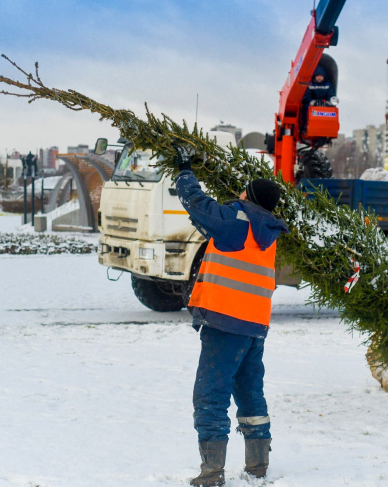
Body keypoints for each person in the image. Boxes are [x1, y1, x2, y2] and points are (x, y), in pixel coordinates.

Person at [173, 148, 288, 487]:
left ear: (248, 197)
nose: (237, 194)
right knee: (250, 391)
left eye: (242, 191)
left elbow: (197, 202)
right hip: (255, 325)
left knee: (210, 395)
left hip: (226, 322)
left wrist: (184, 169)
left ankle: (211, 473)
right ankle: (257, 465)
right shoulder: (265, 230)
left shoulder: (236, 221)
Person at [301, 65, 337, 132]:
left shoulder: (328, 85)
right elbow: (306, 97)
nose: (319, 78)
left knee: (333, 110)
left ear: (323, 77)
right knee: (306, 107)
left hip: (325, 105)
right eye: (318, 76)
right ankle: (306, 125)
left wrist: (328, 102)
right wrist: (313, 102)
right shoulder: (310, 85)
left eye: (321, 76)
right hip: (313, 106)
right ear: (315, 76)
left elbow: (331, 95)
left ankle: (329, 127)